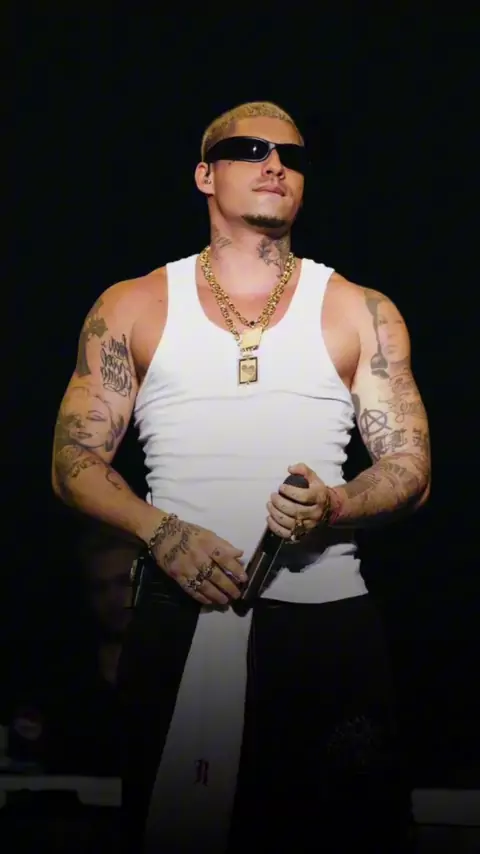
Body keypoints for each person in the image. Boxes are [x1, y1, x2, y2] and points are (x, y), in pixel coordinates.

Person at [51, 101, 431, 853]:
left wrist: (336, 503)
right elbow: (73, 460)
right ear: (205, 174)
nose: (275, 165)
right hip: (183, 611)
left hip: (325, 621)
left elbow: (410, 467)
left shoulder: (360, 309)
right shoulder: (133, 305)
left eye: (292, 156)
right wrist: (160, 530)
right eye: (251, 150)